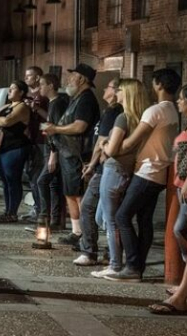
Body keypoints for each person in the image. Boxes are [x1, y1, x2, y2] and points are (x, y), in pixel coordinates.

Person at [105, 68, 181, 282]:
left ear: (158, 84)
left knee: (122, 216)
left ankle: (132, 266)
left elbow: (133, 141)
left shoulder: (154, 111)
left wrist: (110, 148)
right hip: (160, 171)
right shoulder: (173, 110)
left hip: (148, 170)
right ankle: (137, 267)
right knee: (144, 219)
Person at [86, 79, 150, 274]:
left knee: (110, 219)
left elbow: (112, 149)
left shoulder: (123, 117)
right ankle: (115, 259)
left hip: (114, 169)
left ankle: (115, 264)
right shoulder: (139, 118)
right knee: (103, 217)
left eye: (120, 90)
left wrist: (104, 144)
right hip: (125, 170)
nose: (117, 93)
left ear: (127, 94)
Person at [44, 63, 100, 246]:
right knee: (70, 193)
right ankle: (77, 231)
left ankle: (86, 234)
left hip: (77, 154)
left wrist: (56, 129)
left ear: (82, 79)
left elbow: (80, 126)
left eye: (72, 75)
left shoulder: (86, 100)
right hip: (68, 153)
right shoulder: (76, 98)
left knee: (78, 195)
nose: (69, 79)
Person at [72, 78, 123, 265]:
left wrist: (92, 164)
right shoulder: (110, 110)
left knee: (88, 207)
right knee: (104, 212)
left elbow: (102, 141)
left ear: (116, 91)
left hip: (104, 168)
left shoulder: (113, 112)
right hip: (103, 167)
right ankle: (106, 252)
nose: (104, 88)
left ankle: (90, 251)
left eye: (108, 86)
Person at [148, 84, 187, 314]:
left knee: (181, 230)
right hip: (181, 188)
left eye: (182, 100)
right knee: (180, 230)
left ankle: (181, 296)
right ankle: (183, 290)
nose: (179, 103)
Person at [0, 80, 31, 223]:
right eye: (10, 89)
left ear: (21, 92)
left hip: (14, 147)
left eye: (13, 89)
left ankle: (13, 212)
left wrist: (0, 120)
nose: (9, 91)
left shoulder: (22, 107)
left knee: (12, 179)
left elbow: (7, 122)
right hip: (0, 147)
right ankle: (7, 211)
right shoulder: (6, 106)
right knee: (5, 181)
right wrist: (0, 120)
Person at [35, 73, 68, 229]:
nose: (39, 87)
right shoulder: (53, 103)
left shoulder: (57, 104)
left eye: (42, 84)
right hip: (51, 147)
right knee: (53, 184)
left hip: (54, 150)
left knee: (42, 181)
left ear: (50, 86)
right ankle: (55, 220)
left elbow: (57, 130)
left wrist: (53, 154)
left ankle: (44, 216)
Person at [21, 66, 49, 222]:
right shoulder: (26, 95)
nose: (26, 79)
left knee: (38, 176)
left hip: (41, 140)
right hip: (29, 139)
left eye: (29, 76)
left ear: (38, 78)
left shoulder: (43, 96)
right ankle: (37, 208)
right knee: (31, 175)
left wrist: (35, 108)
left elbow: (50, 118)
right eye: (25, 76)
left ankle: (42, 212)